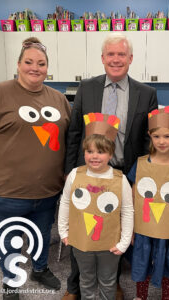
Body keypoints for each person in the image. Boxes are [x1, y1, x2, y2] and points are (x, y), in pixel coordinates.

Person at [0, 37, 71, 300]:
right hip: (7, 190)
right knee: (9, 239)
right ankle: (11, 281)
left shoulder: (59, 99)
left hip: (48, 189)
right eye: (28, 62)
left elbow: (67, 140)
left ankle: (40, 269)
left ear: (47, 68)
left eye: (41, 63)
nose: (34, 67)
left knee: (41, 234)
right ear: (18, 64)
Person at [63, 32, 158, 300]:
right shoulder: (87, 87)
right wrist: (70, 171)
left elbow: (145, 141)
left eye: (121, 55)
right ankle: (74, 287)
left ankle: (112, 283)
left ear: (130, 59)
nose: (116, 60)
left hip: (122, 174)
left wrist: (139, 177)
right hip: (87, 171)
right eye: (111, 55)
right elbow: (74, 133)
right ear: (103, 58)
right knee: (81, 227)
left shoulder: (146, 93)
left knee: (110, 229)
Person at [58, 113, 133, 299]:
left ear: (111, 153)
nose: (94, 156)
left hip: (110, 243)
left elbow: (127, 211)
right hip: (81, 240)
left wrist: (124, 242)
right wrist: (64, 232)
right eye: (89, 151)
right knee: (86, 279)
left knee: (108, 280)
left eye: (100, 152)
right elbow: (66, 202)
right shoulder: (75, 174)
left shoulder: (120, 179)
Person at [127, 106, 169, 300]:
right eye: (157, 137)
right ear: (150, 136)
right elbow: (132, 199)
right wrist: (129, 230)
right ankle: (141, 296)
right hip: (144, 229)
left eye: (167, 136)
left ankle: (167, 296)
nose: (162, 142)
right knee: (142, 262)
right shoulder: (140, 164)